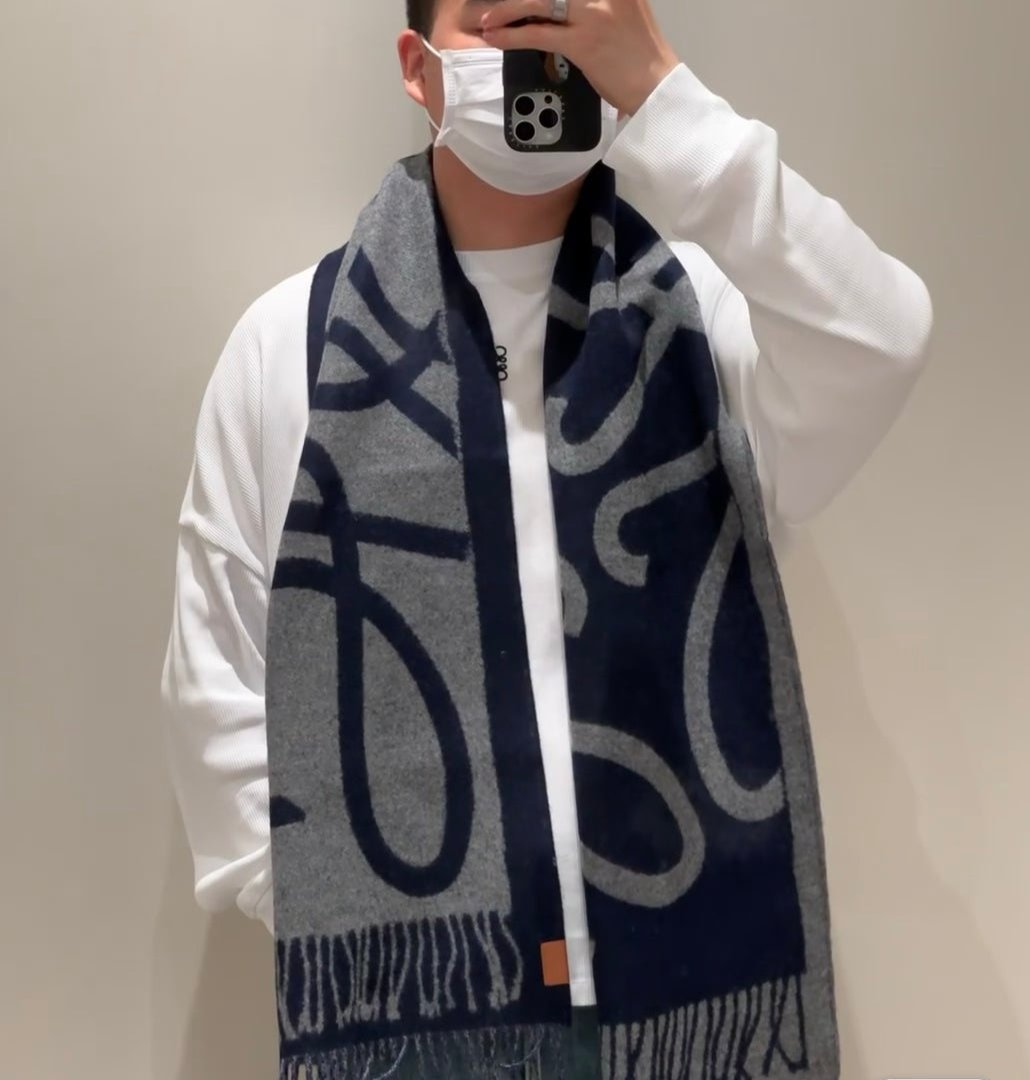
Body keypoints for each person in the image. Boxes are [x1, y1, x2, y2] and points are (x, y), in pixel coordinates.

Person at [160, 0, 933, 1074]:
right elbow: (217, 691)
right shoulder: (291, 346)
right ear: (418, 68)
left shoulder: (704, 321)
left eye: (561, 17)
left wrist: (663, 99)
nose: (537, 53)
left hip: (690, 1011)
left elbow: (881, 337)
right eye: (501, 21)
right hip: (413, 1029)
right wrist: (362, 943)